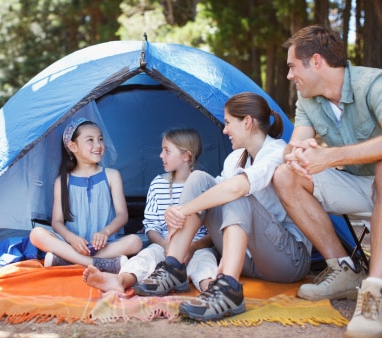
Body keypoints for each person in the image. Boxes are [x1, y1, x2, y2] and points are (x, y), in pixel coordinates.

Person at [133, 92, 311, 322]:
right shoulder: (235, 158)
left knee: (237, 191)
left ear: (247, 122)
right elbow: (209, 192)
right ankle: (174, 265)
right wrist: (177, 209)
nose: (224, 130)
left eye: (228, 123)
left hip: (287, 260)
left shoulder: (276, 152)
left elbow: (236, 189)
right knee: (198, 179)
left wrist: (183, 210)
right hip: (248, 259)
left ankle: (229, 289)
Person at [272, 25, 382, 337]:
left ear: (316, 62)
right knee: (285, 175)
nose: (290, 75)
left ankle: (374, 291)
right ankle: (344, 270)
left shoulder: (372, 83)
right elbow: (295, 146)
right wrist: (295, 156)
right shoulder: (307, 99)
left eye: (293, 67)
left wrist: (329, 156)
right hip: (356, 188)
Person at [83, 128, 218, 294]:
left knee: (205, 261)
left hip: (197, 247)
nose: (161, 155)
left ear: (186, 156)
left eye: (167, 151)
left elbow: (215, 232)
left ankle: (211, 289)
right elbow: (151, 226)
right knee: (146, 257)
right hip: (164, 246)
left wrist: (193, 246)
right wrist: (165, 245)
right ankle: (120, 280)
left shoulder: (204, 185)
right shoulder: (157, 184)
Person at [29, 118, 142, 274]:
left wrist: (105, 232)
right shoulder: (63, 181)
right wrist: (71, 239)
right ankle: (98, 263)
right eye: (90, 140)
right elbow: (57, 222)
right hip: (73, 244)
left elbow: (122, 215)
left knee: (135, 242)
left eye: (100, 139)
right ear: (73, 146)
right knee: (36, 234)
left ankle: (67, 259)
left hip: (105, 245)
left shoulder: (112, 176)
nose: (98, 145)